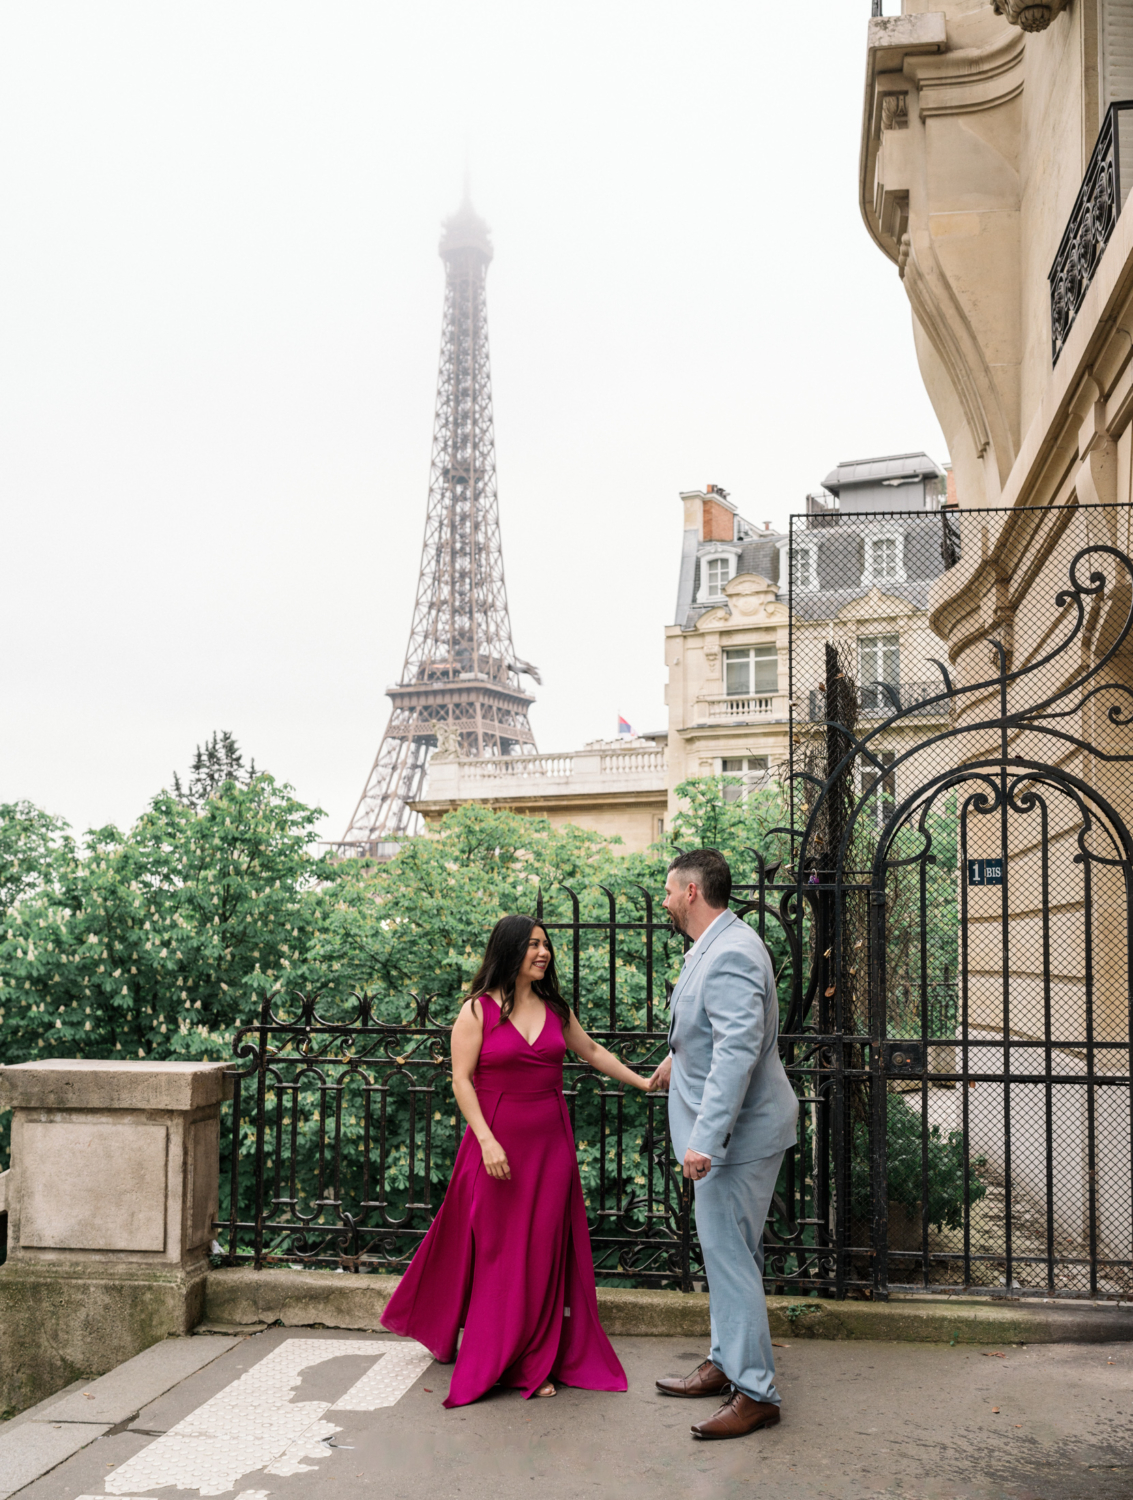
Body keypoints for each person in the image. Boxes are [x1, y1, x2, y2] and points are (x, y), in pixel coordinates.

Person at [381, 913, 653, 1407]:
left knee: (542, 1254)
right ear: (509, 951)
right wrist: (486, 1140)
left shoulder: (555, 1008)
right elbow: (462, 1080)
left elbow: (591, 1050)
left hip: (550, 1147)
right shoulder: (477, 1011)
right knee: (499, 1253)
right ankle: (501, 1355)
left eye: (546, 945)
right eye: (532, 945)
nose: (543, 952)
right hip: (495, 1145)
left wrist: (644, 1081)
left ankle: (532, 1355)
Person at [647, 848, 799, 1441]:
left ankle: (756, 1392)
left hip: (735, 1138)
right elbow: (713, 1032)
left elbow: (738, 1053)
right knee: (733, 1255)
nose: (663, 901)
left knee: (730, 1261)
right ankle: (724, 1362)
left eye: (667, 890)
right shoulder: (722, 942)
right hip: (739, 1131)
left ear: (690, 892)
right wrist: (675, 1059)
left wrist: (705, 1139)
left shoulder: (730, 951)